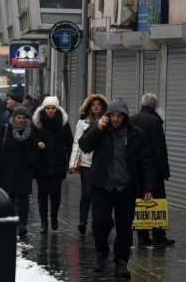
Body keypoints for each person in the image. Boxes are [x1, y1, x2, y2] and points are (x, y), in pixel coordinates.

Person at [79, 98, 157, 279]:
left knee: (124, 227)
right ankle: (101, 251)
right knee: (100, 222)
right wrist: (97, 128)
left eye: (119, 116)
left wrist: (148, 188)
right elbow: (84, 145)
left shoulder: (136, 134)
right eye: (112, 115)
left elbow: (147, 162)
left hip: (126, 188)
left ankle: (121, 261)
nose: (115, 119)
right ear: (107, 116)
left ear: (125, 117)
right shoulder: (100, 130)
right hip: (102, 186)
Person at [129, 93, 174, 247]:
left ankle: (142, 237)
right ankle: (158, 235)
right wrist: (164, 171)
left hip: (136, 169)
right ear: (154, 106)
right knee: (158, 202)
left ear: (141, 104)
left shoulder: (131, 119)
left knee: (140, 200)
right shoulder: (155, 122)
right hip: (152, 169)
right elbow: (160, 149)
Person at [32, 96, 73, 234]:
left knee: (55, 193)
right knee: (42, 195)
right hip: (41, 164)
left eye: (53, 108)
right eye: (48, 108)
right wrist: (37, 144)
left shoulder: (63, 122)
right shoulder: (37, 122)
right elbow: (32, 139)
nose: (50, 111)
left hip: (58, 163)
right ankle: (44, 222)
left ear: (57, 109)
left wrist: (69, 162)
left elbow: (70, 142)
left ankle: (54, 216)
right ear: (44, 109)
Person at [69, 93, 109, 235]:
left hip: (103, 165)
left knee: (101, 194)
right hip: (87, 163)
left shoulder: (108, 122)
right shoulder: (82, 123)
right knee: (87, 192)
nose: (96, 106)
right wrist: (72, 163)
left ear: (103, 107)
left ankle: (98, 221)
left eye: (99, 104)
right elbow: (77, 143)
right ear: (89, 108)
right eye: (93, 105)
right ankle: (82, 221)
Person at [0, 105, 39, 237]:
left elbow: (36, 149)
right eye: (18, 117)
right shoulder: (5, 130)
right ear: (14, 117)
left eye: (23, 118)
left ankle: (22, 225)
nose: (21, 120)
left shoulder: (31, 131)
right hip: (6, 170)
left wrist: (29, 162)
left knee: (23, 199)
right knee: (8, 198)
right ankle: (8, 222)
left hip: (24, 171)